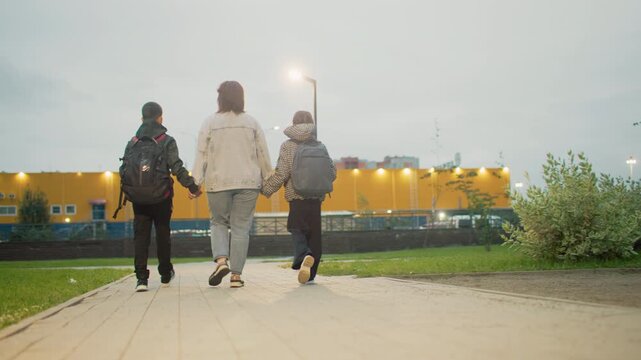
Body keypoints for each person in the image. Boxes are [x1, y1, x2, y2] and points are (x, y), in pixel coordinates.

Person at [192, 81, 272, 288]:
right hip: (248, 182)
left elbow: (201, 153)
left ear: (220, 98)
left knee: (218, 222)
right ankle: (236, 276)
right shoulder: (252, 122)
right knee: (241, 228)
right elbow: (262, 153)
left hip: (218, 182)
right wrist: (268, 179)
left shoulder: (209, 122)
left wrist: (195, 183)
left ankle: (221, 261)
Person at [119, 101, 201, 292]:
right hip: (162, 196)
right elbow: (176, 167)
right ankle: (165, 273)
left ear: (141, 118)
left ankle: (141, 279)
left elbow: (124, 170)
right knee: (163, 233)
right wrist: (192, 186)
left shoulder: (132, 143)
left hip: (138, 197)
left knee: (141, 236)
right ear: (160, 118)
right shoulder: (167, 140)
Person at [261, 111, 336, 284]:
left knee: (296, 228)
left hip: (296, 195)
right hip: (316, 197)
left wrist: (266, 189)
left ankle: (304, 256)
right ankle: (311, 273)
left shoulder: (288, 146)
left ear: (294, 124)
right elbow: (332, 172)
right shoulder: (320, 145)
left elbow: (282, 173)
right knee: (314, 235)